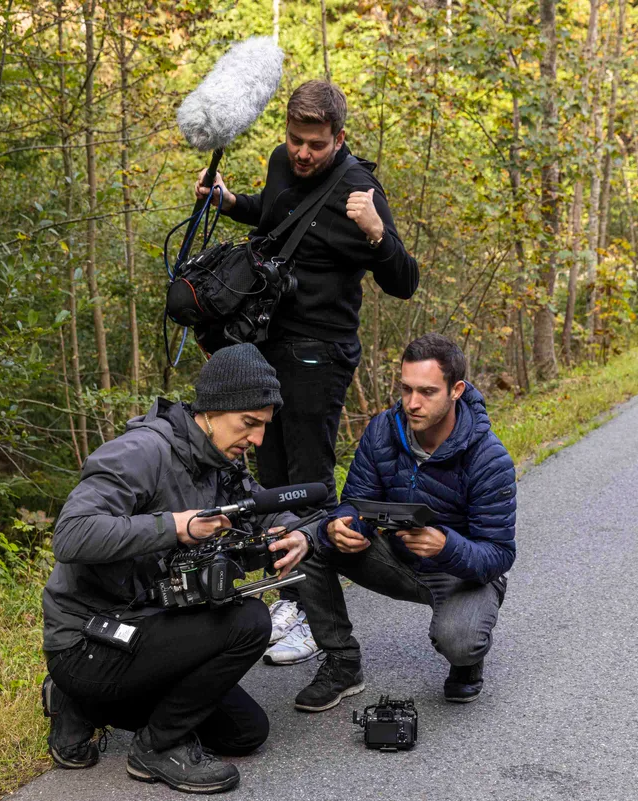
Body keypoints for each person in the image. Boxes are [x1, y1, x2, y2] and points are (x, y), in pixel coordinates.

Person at [194, 80, 420, 665]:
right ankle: (287, 598)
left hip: (321, 352)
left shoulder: (359, 188)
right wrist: (230, 202)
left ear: (339, 138)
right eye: (295, 140)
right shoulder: (279, 162)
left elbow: (404, 281)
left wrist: (375, 231)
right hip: (266, 344)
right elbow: (271, 226)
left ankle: (318, 623)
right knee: (267, 479)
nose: (302, 154)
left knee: (310, 481)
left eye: (315, 145)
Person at [40, 344, 315, 794]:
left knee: (245, 734)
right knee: (249, 620)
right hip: (89, 638)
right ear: (212, 410)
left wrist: (296, 533)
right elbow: (71, 535)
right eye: (250, 423)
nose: (259, 439)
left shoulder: (220, 461)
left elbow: (261, 509)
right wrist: (174, 527)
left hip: (155, 626)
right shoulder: (142, 452)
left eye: (264, 426)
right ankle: (152, 747)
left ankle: (82, 705)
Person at [289, 334, 516, 712]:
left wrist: (446, 546)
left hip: (460, 570)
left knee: (459, 641)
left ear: (456, 389)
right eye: (406, 389)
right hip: (395, 558)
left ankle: (466, 662)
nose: (412, 403)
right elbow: (355, 502)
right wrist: (343, 527)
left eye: (427, 392)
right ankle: (343, 664)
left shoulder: (489, 458)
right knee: (310, 539)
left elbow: (500, 553)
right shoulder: (382, 431)